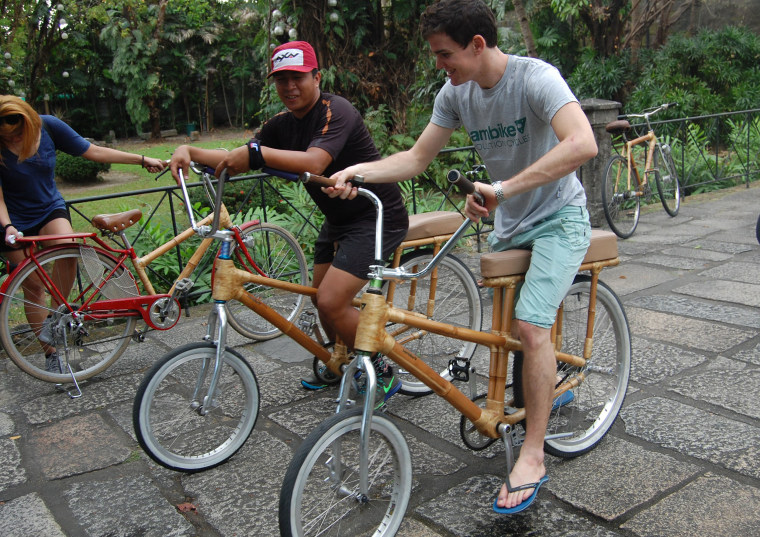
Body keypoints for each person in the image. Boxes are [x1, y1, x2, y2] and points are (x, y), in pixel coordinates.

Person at [328, 0, 597, 514]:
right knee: (506, 335)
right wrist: (357, 171)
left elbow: (583, 143)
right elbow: (415, 158)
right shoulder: (455, 93)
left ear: (477, 45)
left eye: (445, 54)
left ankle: (534, 456)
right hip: (509, 220)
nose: (439, 65)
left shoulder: (535, 78)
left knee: (531, 327)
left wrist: (503, 187)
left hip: (560, 218)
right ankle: (525, 397)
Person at [168, 41, 409, 404]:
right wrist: (190, 151)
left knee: (330, 301)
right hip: (337, 218)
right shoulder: (280, 125)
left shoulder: (335, 110)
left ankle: (379, 367)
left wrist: (256, 153)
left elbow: (314, 160)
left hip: (376, 215)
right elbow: (241, 156)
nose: (290, 87)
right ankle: (341, 359)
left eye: (297, 78)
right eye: (281, 80)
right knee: (320, 294)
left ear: (317, 76)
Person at [0, 95, 166, 374]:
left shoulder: (49, 127)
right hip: (9, 219)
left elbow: (94, 151)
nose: (14, 140)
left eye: (18, 133)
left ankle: (56, 321)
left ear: (28, 121)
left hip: (47, 208)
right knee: (33, 287)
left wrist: (141, 159)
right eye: (7, 138)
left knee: (68, 247)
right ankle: (51, 354)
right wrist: (7, 227)